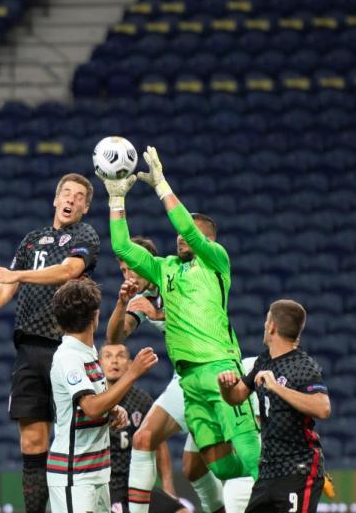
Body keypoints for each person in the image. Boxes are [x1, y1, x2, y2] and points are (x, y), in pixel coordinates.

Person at [100, 146, 260, 513]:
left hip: (221, 369)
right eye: (179, 236)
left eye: (192, 234)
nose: (181, 238)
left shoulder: (216, 263)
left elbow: (186, 226)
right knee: (219, 464)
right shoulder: (165, 268)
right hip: (188, 381)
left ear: (209, 241)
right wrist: (116, 198)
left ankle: (279, 499)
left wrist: (161, 186)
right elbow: (123, 246)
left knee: (249, 453)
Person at [0, 173, 101, 513]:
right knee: (32, 442)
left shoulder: (85, 236)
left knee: (73, 439)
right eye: (66, 194)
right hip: (29, 349)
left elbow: (67, 272)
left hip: (67, 348)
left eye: (78, 197)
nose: (71, 200)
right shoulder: (31, 240)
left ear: (85, 207)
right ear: (55, 200)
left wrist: (17, 275)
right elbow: (6, 288)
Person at [106, 237, 244, 513]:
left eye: (131, 267)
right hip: (186, 380)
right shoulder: (142, 299)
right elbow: (115, 337)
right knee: (148, 442)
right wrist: (122, 303)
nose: (128, 274)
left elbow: (197, 319)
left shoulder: (180, 276)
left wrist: (157, 315)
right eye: (123, 271)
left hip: (215, 371)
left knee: (212, 463)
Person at [47, 278, 158, 513]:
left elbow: (93, 406)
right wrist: (133, 372)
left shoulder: (87, 352)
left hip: (97, 472)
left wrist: (114, 410)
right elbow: (91, 407)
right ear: (95, 316)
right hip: (74, 475)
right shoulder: (69, 357)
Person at [218, 300, 331, 513]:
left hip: (298, 469)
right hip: (268, 471)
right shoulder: (264, 361)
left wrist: (276, 387)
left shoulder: (303, 366)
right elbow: (236, 397)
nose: (264, 325)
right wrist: (224, 386)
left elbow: (323, 407)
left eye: (266, 320)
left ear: (272, 327)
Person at [100, 343, 187, 513]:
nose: (114, 361)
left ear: (131, 364)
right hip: (105, 488)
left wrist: (168, 488)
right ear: (99, 364)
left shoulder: (141, 400)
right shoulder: (95, 399)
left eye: (120, 356)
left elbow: (160, 444)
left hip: (136, 484)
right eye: (108, 356)